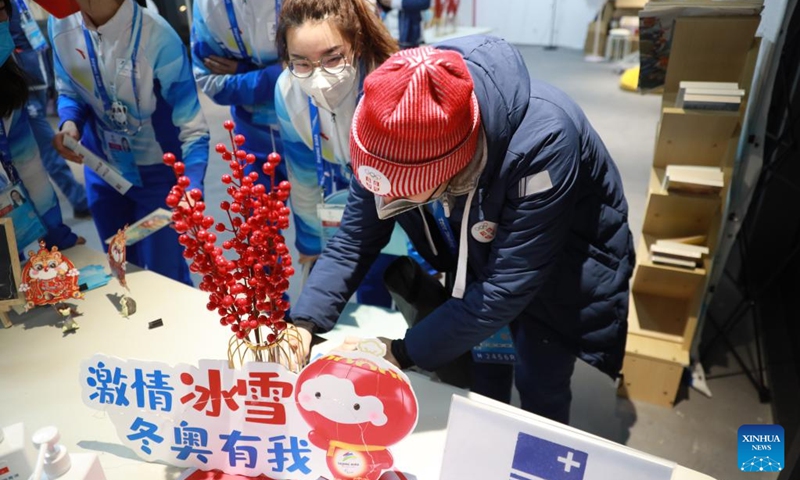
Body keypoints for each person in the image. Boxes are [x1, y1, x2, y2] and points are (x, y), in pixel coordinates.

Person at [290, 36, 635, 424]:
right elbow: (355, 239)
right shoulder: (390, 120)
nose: (384, 199)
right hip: (475, 253)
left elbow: (505, 288)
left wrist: (403, 353)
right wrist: (304, 323)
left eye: (402, 196)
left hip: (562, 268)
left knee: (542, 379)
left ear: (452, 171)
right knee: (483, 372)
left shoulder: (545, 141)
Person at [49, 0, 210, 285]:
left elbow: (193, 128)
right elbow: (69, 89)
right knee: (121, 270)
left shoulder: (157, 35)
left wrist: (192, 185)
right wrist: (70, 123)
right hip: (103, 171)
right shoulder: (59, 23)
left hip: (159, 176)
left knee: (166, 278)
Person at [274, 0, 403, 307]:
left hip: (399, 199)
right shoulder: (287, 92)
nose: (318, 78)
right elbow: (303, 177)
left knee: (391, 288)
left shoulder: (392, 83)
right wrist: (310, 242)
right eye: (301, 63)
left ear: (356, 44)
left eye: (332, 59)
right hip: (339, 190)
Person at [0, 0, 81, 252]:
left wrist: (56, 236)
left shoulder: (7, 86)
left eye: (3, 9)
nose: (3, 19)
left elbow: (29, 166)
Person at [191, 0, 287, 189]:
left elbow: (319, 69)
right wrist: (279, 72)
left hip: (314, 133)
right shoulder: (207, 5)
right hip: (253, 138)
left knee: (320, 215)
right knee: (258, 216)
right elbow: (213, 85)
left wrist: (242, 71)